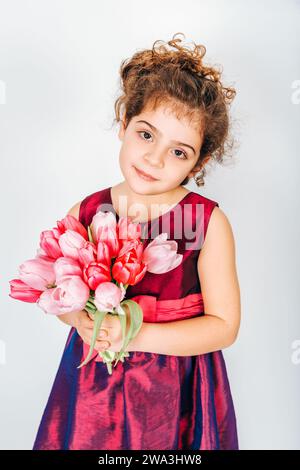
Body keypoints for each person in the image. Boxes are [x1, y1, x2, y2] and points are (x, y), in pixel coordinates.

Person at [32, 32, 241, 450]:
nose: (155, 158)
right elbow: (59, 298)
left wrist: (133, 334)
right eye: (147, 135)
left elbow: (224, 327)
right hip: (94, 385)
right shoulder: (87, 212)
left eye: (179, 152)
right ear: (125, 124)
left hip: (176, 390)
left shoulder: (207, 222)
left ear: (198, 162)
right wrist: (80, 321)